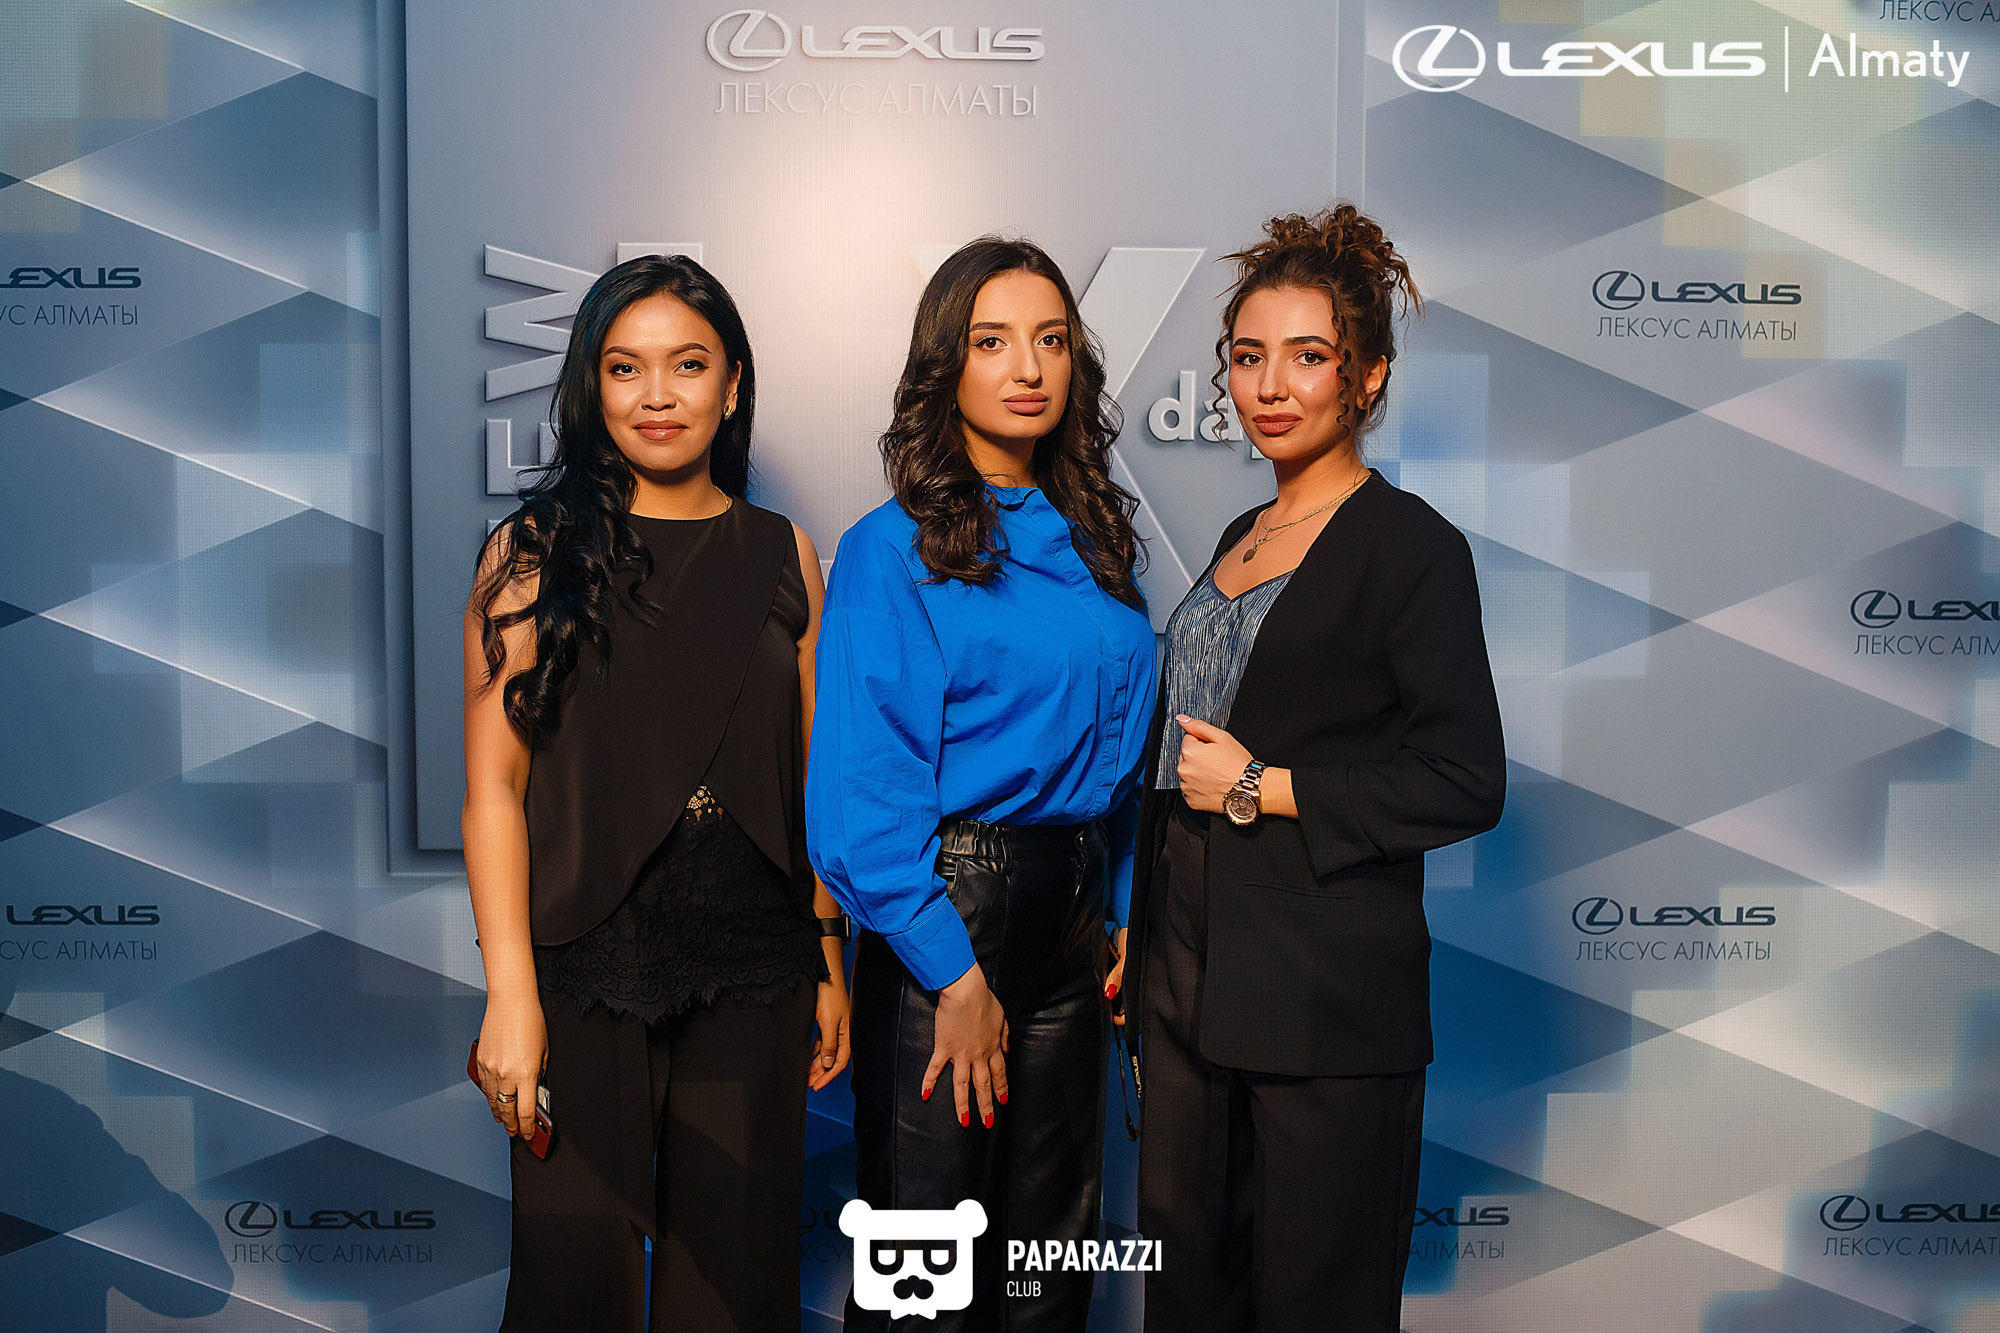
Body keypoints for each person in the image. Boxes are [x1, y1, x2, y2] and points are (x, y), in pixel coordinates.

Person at [1124, 205, 1506, 1331]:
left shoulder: (1411, 547)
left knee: (1314, 1306)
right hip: (1186, 988)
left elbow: (1464, 777)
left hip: (1323, 1006)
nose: (1270, 385)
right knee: (1189, 1301)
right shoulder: (1239, 536)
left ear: (1367, 375)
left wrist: (1265, 786)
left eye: (1306, 356)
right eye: (1248, 357)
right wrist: (1143, 935)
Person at [461, 254, 851, 1333]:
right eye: (625, 367)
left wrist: (828, 953)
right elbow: (493, 790)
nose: (658, 394)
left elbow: (811, 784)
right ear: (592, 387)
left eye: (688, 364)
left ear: (733, 383)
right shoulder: (528, 554)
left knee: (733, 1297)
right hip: (583, 965)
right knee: (568, 1294)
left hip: (754, 968)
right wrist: (510, 994)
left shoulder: (787, 555)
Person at [807, 237, 1157, 1331]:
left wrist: (1122, 912)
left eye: (1051, 340)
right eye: (992, 340)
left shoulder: (1096, 540)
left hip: (1075, 921)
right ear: (944, 364)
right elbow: (861, 806)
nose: (1028, 367)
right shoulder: (890, 549)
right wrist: (953, 978)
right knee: (928, 1278)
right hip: (950, 920)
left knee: (1046, 1270)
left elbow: (1123, 766)